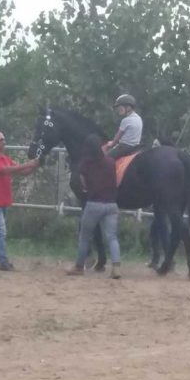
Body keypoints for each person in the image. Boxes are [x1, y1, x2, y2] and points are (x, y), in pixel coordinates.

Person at [0, 130, 39, 271]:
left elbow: (21, 172)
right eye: (1, 139)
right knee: (0, 231)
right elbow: (5, 171)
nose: (4, 141)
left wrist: (35, 165)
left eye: (3, 139)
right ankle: (3, 261)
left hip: (2, 200)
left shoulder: (4, 158)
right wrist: (29, 163)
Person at [68, 134, 122, 279]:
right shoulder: (111, 162)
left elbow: (84, 184)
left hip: (94, 204)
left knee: (84, 236)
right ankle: (116, 267)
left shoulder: (85, 164)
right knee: (112, 237)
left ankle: (79, 266)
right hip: (111, 205)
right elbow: (116, 181)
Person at [104, 94, 143, 159]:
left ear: (128, 107)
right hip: (136, 147)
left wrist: (112, 144)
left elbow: (118, 136)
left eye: (120, 107)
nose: (119, 109)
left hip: (124, 147)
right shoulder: (139, 118)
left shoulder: (126, 120)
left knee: (105, 159)